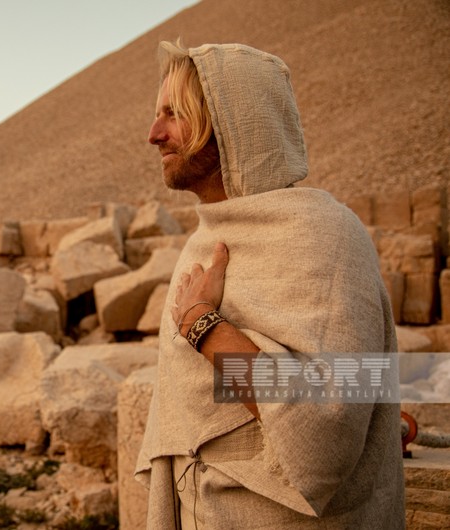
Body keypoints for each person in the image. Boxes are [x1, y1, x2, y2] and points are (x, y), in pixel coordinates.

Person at [134, 41, 404, 528]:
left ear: (231, 119)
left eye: (174, 114)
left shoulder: (327, 236)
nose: (154, 134)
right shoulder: (204, 240)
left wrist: (204, 328)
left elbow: (330, 418)